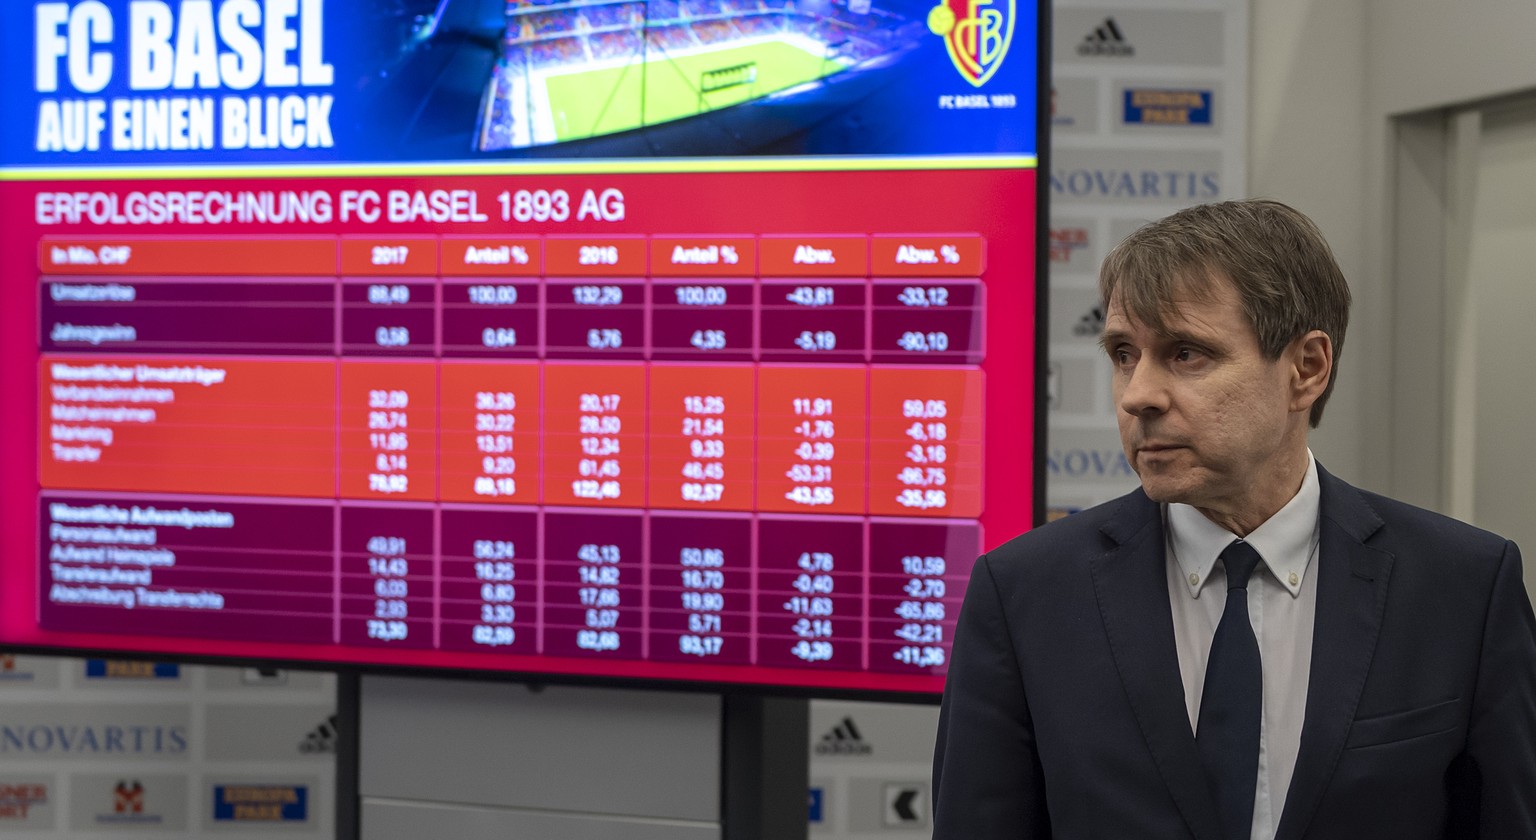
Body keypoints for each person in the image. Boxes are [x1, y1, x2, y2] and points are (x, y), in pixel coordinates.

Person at [932, 199, 1536, 839]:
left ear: (1306, 369)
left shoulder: (1462, 587)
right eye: (1122, 353)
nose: (1138, 394)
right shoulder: (1025, 592)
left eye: (1186, 353)